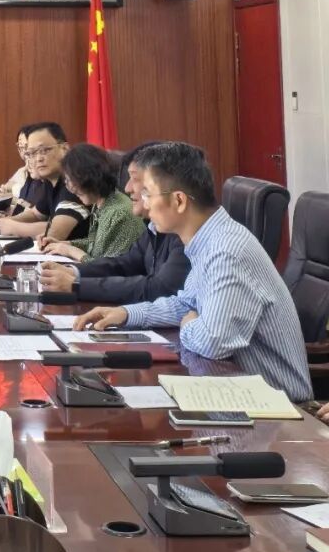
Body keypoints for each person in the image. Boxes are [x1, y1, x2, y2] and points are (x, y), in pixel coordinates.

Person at [74, 142, 312, 402]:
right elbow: (186, 305)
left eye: (147, 194)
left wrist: (189, 325)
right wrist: (127, 313)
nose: (144, 204)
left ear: (179, 200)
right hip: (232, 387)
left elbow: (213, 342)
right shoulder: (207, 240)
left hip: (278, 406)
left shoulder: (226, 251)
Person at [39, 142, 190, 303]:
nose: (127, 188)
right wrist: (73, 270)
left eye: (135, 179)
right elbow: (123, 264)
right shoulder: (155, 227)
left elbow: (158, 289)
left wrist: (76, 284)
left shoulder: (185, 234)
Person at [38, 143, 144, 262]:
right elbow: (95, 244)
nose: (70, 188)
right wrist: (65, 244)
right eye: (66, 181)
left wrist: (71, 251)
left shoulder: (119, 214)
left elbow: (108, 269)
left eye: (71, 180)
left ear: (89, 176)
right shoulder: (103, 203)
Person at [0, 122, 89, 241]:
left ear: (64, 149)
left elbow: (55, 233)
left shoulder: (74, 181)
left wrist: (12, 227)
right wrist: (7, 221)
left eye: (45, 150)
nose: (38, 159)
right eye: (32, 153)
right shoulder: (51, 180)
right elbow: (36, 214)